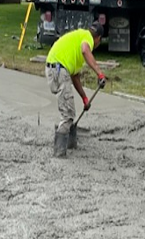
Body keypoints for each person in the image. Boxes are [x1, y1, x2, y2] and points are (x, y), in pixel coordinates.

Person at [45, 22, 108, 157]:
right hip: (59, 69)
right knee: (68, 114)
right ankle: (59, 152)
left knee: (67, 109)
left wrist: (85, 98)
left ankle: (68, 142)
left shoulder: (78, 38)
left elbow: (75, 77)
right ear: (98, 39)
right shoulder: (87, 39)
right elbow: (85, 49)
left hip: (54, 68)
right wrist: (100, 73)